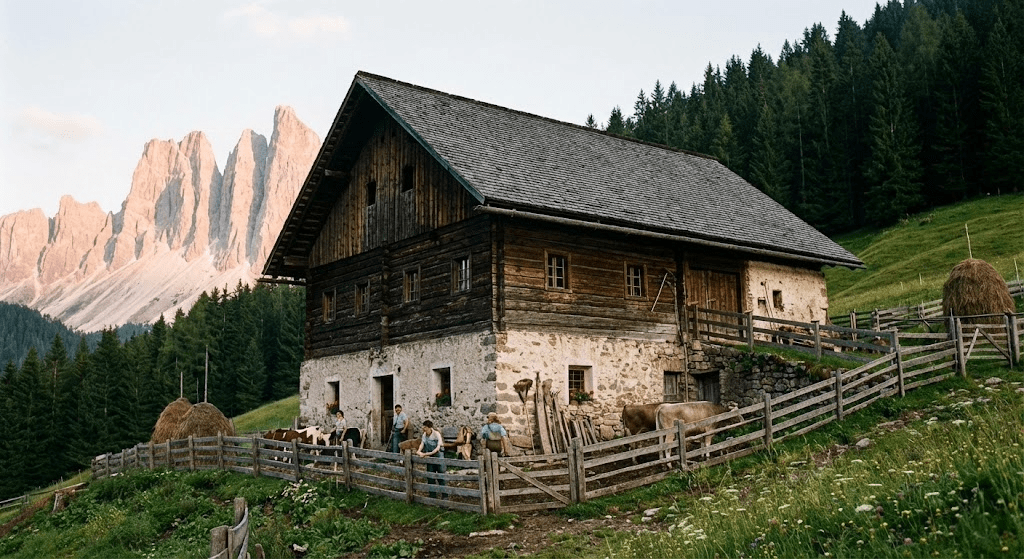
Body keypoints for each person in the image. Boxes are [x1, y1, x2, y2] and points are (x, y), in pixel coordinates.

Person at [416, 420, 446, 498]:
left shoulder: (436, 434)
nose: (424, 429)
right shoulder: (424, 435)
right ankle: (432, 496)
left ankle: (445, 496)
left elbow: (437, 449)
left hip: (438, 457)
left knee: (441, 477)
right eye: (423, 427)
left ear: (430, 428)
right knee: (430, 477)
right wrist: (419, 451)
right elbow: (422, 444)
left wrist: (425, 454)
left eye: (425, 427)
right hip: (430, 458)